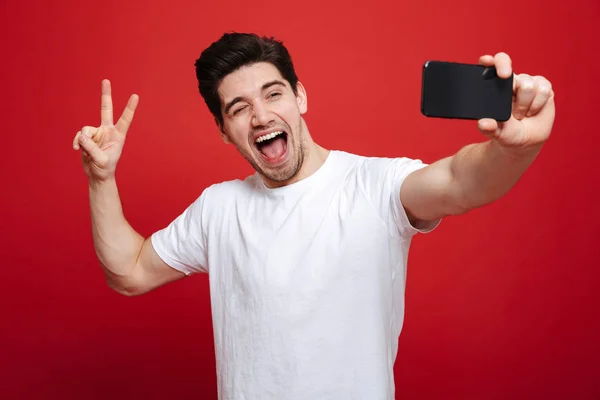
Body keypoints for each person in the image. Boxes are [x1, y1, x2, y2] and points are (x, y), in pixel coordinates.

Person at [72, 32, 555, 399]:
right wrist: (101, 178)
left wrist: (515, 150)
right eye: (239, 108)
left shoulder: (375, 186)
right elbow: (129, 271)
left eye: (273, 94)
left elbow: (460, 183)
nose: (260, 116)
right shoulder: (218, 209)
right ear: (224, 131)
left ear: (300, 97)